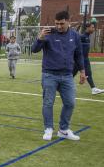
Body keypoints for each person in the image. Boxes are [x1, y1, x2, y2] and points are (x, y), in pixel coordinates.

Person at [32, 10, 86, 141]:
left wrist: (83, 72)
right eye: (57, 23)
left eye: (62, 23)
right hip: (49, 74)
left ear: (68, 21)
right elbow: (34, 50)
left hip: (67, 75)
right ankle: (48, 128)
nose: (59, 26)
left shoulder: (75, 35)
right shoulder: (48, 33)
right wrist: (40, 38)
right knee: (48, 103)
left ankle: (63, 129)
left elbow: (79, 55)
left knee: (70, 103)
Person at [74, 23, 103, 95]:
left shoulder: (87, 37)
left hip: (85, 59)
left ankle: (93, 89)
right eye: (92, 27)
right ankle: (60, 86)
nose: (94, 29)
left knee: (88, 73)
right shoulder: (82, 37)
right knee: (71, 74)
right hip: (79, 60)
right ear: (87, 28)